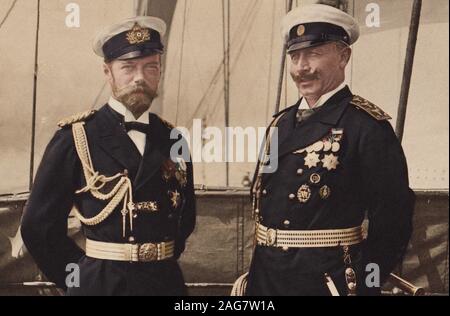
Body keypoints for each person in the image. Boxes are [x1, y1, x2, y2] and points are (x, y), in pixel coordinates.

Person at [246, 4, 415, 296]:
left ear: (343, 56)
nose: (302, 68)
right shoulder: (279, 124)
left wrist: (367, 286)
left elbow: (394, 221)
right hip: (266, 280)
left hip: (328, 282)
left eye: (313, 53)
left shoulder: (367, 127)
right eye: (295, 56)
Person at [21, 16, 196, 296]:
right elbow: (38, 228)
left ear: (160, 71)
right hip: (102, 286)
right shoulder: (76, 137)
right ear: (107, 72)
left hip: (165, 285)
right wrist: (82, 281)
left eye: (150, 67)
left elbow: (185, 220)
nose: (140, 77)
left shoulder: (173, 139)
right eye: (128, 67)